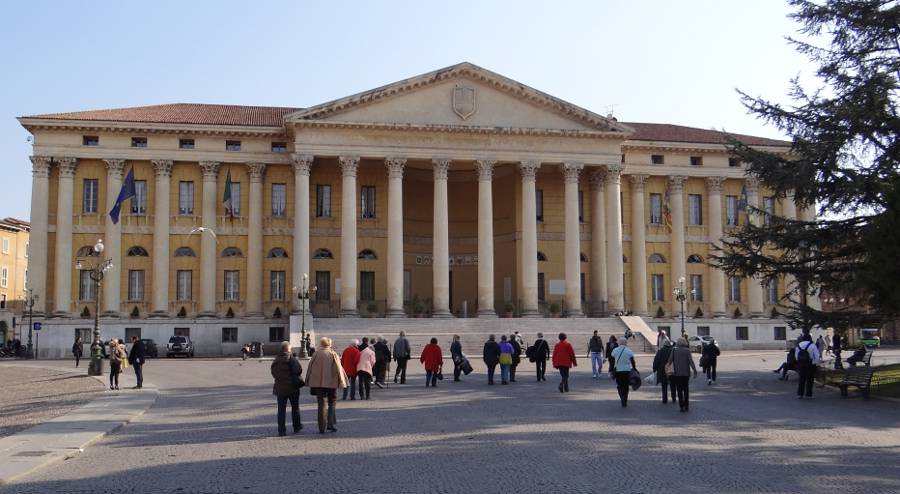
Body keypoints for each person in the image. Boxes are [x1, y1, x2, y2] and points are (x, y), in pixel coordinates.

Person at [306, 337, 349, 434]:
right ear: (329, 344)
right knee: (332, 403)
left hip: (318, 383)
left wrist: (308, 380)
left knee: (321, 404)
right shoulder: (333, 354)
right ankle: (330, 424)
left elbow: (310, 368)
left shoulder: (316, 354)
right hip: (331, 383)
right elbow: (339, 369)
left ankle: (321, 427)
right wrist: (342, 381)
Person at [270, 341, 303, 436]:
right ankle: (297, 426)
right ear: (288, 349)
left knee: (281, 410)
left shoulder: (276, 360)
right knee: (295, 408)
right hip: (292, 387)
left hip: (280, 388)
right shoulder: (291, 359)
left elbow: (273, 373)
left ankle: (281, 430)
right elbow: (299, 370)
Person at [669, 338, 698, 412]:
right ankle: (686, 405)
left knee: (679, 390)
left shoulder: (674, 350)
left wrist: (667, 367)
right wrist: (694, 370)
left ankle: (681, 406)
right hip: (686, 373)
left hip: (677, 373)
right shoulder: (687, 350)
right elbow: (691, 361)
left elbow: (670, 360)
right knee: (686, 389)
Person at [609, 335, 636, 407]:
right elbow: (632, 360)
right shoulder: (629, 350)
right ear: (626, 343)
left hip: (618, 370)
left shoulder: (615, 350)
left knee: (619, 385)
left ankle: (622, 397)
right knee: (626, 385)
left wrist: (611, 369)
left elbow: (612, 357)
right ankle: (625, 399)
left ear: (619, 343)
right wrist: (634, 368)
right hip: (627, 370)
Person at [795, 334, 821, 399]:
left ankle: (800, 394)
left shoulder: (799, 345)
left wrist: (799, 362)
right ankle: (808, 395)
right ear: (810, 338)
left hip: (801, 364)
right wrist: (816, 364)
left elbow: (796, 356)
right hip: (810, 365)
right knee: (810, 380)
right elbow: (817, 356)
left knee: (801, 379)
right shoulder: (812, 345)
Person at [651, 338, 676, 404]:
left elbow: (656, 361)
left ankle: (664, 399)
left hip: (662, 370)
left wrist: (654, 369)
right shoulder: (672, 350)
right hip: (671, 369)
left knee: (664, 385)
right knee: (673, 384)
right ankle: (674, 398)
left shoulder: (660, 351)